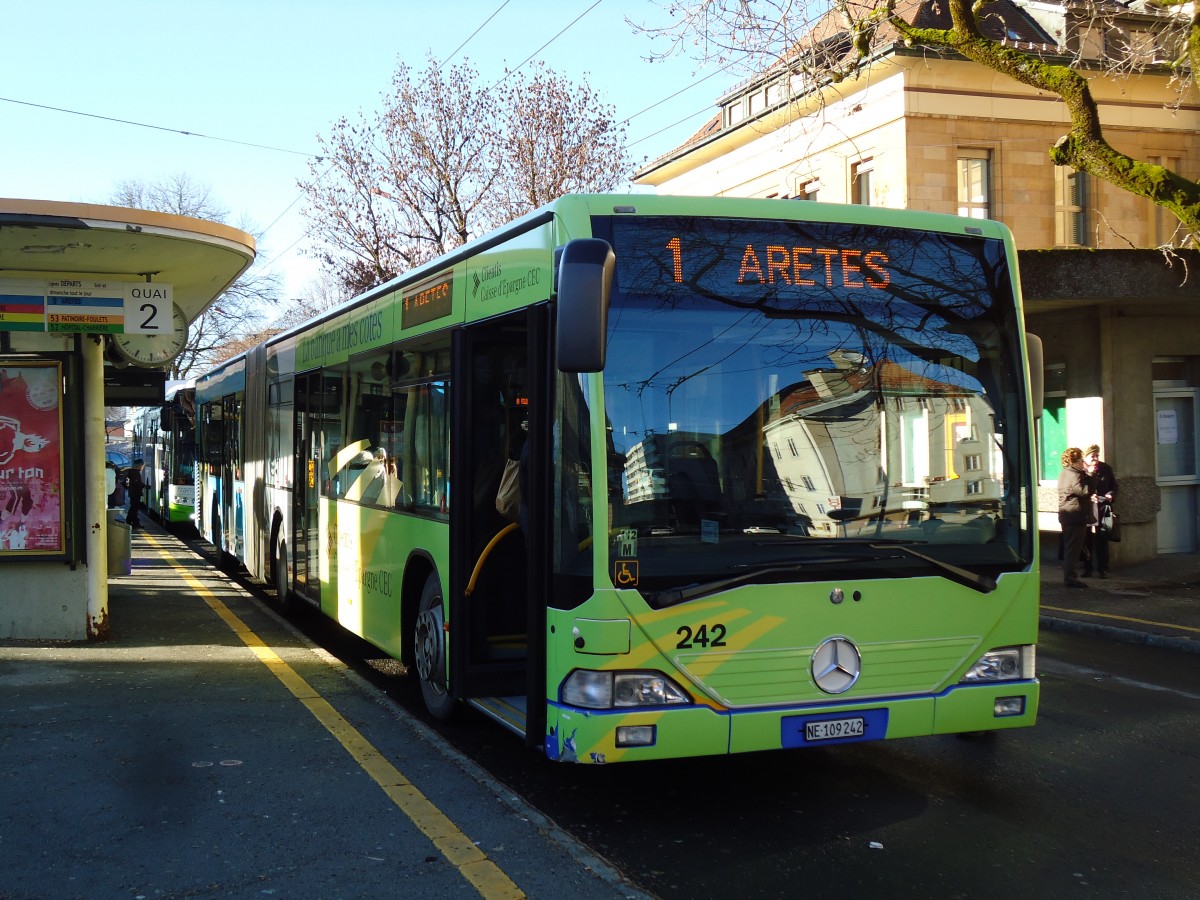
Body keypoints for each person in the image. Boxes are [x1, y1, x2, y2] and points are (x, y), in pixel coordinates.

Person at [1057, 447, 1093, 588]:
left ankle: (1070, 576)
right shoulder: (1075, 475)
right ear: (1075, 461)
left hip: (1066, 515)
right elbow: (1085, 491)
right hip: (1075, 516)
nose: (1083, 462)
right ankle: (1070, 578)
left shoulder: (1063, 473)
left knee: (1071, 547)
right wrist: (1090, 475)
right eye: (1081, 460)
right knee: (1073, 549)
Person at [1083, 443, 1118, 578]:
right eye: (1092, 456)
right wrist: (1089, 495)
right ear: (1086, 457)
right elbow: (1079, 488)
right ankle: (1087, 568)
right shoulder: (1082, 470)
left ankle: (1103, 569)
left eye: (1097, 455)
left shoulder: (1106, 468)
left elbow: (1114, 486)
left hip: (1104, 507)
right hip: (1088, 508)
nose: (1095, 458)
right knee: (1086, 539)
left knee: (1103, 538)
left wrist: (1111, 495)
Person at [124, 458, 145, 530]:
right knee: (135, 508)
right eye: (142, 465)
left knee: (133, 508)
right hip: (135, 493)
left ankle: (130, 521)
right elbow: (137, 483)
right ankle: (133, 522)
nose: (143, 467)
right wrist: (144, 486)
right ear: (138, 466)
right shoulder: (135, 473)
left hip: (133, 493)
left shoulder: (132, 472)